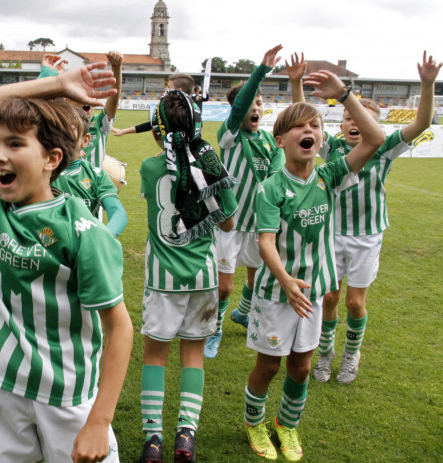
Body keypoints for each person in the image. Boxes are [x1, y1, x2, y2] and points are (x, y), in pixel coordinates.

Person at [0, 62, 133, 463]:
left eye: (16, 144)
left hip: (68, 393)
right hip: (4, 381)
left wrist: (98, 421)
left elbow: (120, 329)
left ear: (51, 158)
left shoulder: (84, 232)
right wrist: (56, 84)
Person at [242, 71, 385, 462]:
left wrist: (345, 96)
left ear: (322, 138)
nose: (309, 130)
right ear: (281, 140)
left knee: (302, 368)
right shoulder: (270, 187)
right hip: (276, 294)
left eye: (315, 125)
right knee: (269, 365)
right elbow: (266, 241)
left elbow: (375, 139)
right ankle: (254, 423)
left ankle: (286, 426)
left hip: (312, 293)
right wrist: (285, 279)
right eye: (299, 126)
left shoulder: (329, 176)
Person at [289, 51, 443, 385]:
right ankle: (326, 351)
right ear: (341, 124)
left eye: (360, 120)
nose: (353, 123)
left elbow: (422, 123)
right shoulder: (333, 148)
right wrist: (296, 82)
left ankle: (351, 354)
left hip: (367, 237)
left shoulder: (384, 148)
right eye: (347, 118)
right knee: (329, 297)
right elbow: (304, 122)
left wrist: (427, 84)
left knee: (355, 302)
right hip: (332, 235)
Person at [137, 89, 237, 463]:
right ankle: (186, 435)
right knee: (193, 355)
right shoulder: (210, 164)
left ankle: (153, 439)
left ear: (157, 130)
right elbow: (227, 222)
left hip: (163, 279)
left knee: (154, 357)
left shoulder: (149, 167)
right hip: (203, 277)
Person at [207, 45, 286, 359]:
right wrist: (261, 71)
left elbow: (280, 164)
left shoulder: (268, 139)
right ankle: (214, 330)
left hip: (259, 225)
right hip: (231, 222)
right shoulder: (230, 134)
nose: (257, 108)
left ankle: (242, 313)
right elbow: (240, 108)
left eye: (261, 102)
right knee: (224, 286)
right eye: (251, 103)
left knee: (257, 279)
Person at [52, 98, 128, 237]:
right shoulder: (41, 173)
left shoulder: (97, 175)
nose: (61, 137)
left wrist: (103, 238)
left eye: (69, 131)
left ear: (85, 140)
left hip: (84, 252)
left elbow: (118, 212)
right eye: (57, 130)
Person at [110, 73, 196, 138]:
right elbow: (153, 124)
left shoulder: (176, 112)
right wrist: (123, 131)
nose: (166, 89)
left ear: (178, 90)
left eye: (169, 87)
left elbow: (154, 124)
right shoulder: (192, 109)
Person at [81, 51, 123, 168]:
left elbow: (114, 100)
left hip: (94, 183)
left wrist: (117, 68)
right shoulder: (64, 123)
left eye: (91, 98)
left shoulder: (100, 123)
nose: (88, 103)